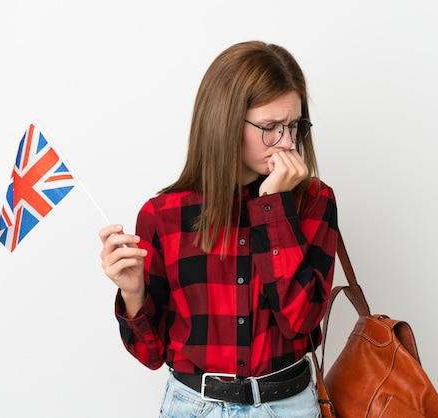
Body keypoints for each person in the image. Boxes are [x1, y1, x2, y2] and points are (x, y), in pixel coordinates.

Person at [99, 40, 339, 418]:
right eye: (270, 127)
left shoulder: (313, 202)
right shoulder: (164, 215)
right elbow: (151, 354)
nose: (288, 142)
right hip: (194, 407)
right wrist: (133, 293)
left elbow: (300, 321)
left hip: (289, 406)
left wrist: (273, 208)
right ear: (225, 121)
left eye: (293, 125)